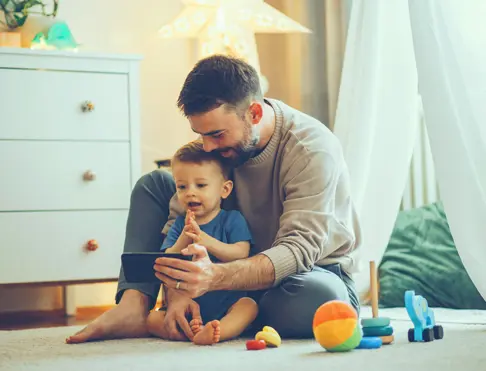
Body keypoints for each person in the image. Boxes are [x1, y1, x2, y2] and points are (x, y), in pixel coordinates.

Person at [66, 54, 361, 345]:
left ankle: (237, 314)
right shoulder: (213, 146)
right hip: (230, 274)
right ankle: (133, 306)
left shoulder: (311, 149)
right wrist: (177, 292)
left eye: (217, 134)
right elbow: (178, 226)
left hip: (306, 273)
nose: (206, 146)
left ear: (254, 114)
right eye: (200, 134)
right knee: (154, 183)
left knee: (319, 299)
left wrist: (213, 278)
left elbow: (298, 250)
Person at [146, 140, 258, 345]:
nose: (190, 192)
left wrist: (206, 241)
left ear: (224, 190)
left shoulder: (232, 219)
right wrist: (185, 237)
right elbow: (167, 257)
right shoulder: (180, 224)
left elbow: (241, 252)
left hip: (226, 302)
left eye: (201, 185)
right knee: (152, 319)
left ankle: (219, 330)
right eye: (182, 186)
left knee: (249, 306)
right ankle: (183, 332)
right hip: (185, 302)